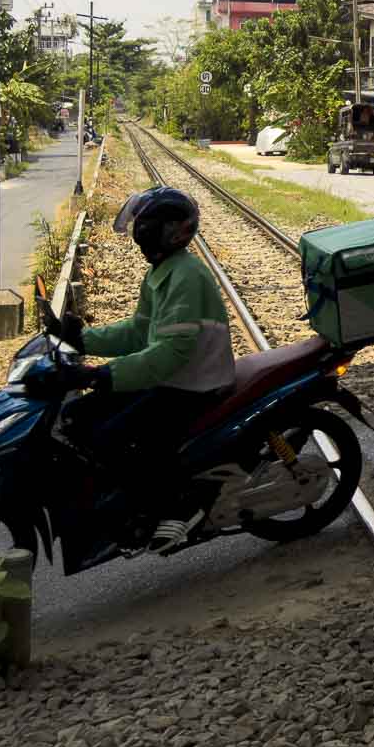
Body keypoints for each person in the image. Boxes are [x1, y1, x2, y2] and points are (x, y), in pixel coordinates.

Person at [49, 186, 235, 553]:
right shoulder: (163, 272)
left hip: (194, 383)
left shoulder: (186, 276)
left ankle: (174, 510)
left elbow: (169, 353)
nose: (138, 231)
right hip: (173, 376)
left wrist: (104, 375)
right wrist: (82, 340)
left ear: (165, 230)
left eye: (145, 224)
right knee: (76, 416)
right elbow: (139, 331)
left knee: (117, 436)